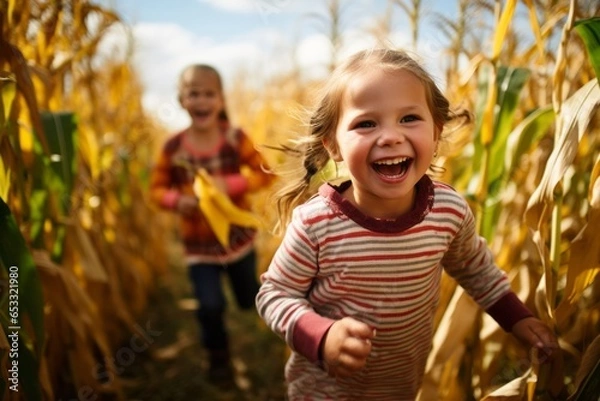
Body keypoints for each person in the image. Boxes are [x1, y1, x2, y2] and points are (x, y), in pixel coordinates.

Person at [255, 48, 558, 400]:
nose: (390, 136)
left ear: (436, 131)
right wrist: (320, 336)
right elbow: (275, 295)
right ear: (333, 145)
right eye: (366, 123)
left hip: (401, 385)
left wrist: (518, 320)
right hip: (324, 389)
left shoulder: (447, 212)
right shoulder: (317, 224)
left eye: (409, 118)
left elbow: (477, 271)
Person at [150, 64, 273, 384]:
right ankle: (218, 358)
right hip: (199, 248)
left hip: (238, 240)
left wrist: (228, 186)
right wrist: (177, 201)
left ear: (220, 100)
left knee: (248, 299)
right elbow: (156, 190)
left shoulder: (235, 138)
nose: (201, 100)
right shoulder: (173, 148)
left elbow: (264, 173)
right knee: (210, 307)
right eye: (193, 93)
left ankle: (267, 309)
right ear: (181, 100)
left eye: (208, 94)